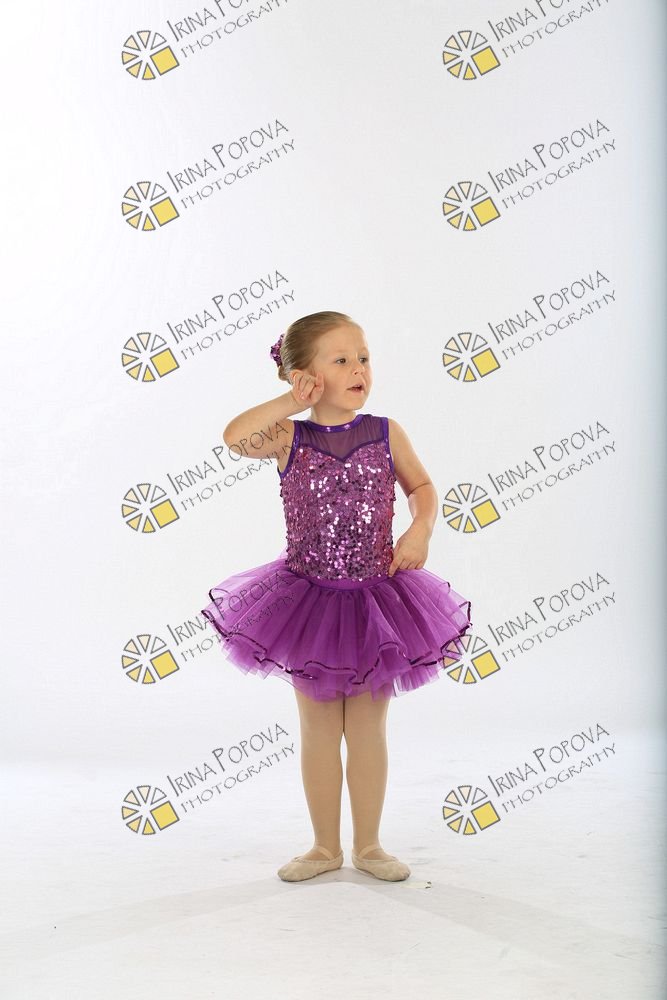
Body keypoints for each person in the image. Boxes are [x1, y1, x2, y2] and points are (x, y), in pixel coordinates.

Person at [201, 311, 473, 883]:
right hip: (308, 605)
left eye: (364, 358)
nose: (358, 370)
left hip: (377, 603)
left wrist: (420, 529)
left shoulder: (385, 431)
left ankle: (369, 846)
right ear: (304, 375)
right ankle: (325, 847)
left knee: (368, 729)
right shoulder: (287, 438)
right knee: (319, 730)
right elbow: (233, 438)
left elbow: (422, 486)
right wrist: (290, 402)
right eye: (342, 360)